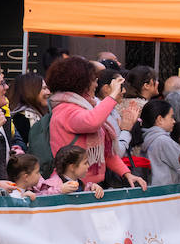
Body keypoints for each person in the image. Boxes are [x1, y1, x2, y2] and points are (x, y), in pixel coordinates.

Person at [43, 57, 146, 190]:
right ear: (80, 83)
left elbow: (106, 153)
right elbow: (93, 122)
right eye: (93, 80)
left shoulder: (85, 107)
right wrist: (113, 94)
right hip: (72, 186)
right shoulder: (65, 109)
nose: (96, 84)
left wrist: (126, 174)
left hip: (92, 185)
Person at [139, 98, 180, 186]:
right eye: (171, 117)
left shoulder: (145, 138)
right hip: (166, 193)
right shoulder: (163, 141)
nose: (174, 121)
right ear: (160, 119)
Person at [40, 144, 105, 198]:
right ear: (72, 167)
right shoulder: (52, 184)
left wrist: (92, 188)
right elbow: (40, 197)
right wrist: (60, 190)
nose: (88, 166)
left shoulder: (81, 184)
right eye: (85, 163)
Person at [9, 72, 49, 145]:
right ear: (30, 91)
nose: (48, 92)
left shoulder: (39, 114)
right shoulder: (22, 119)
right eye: (44, 88)